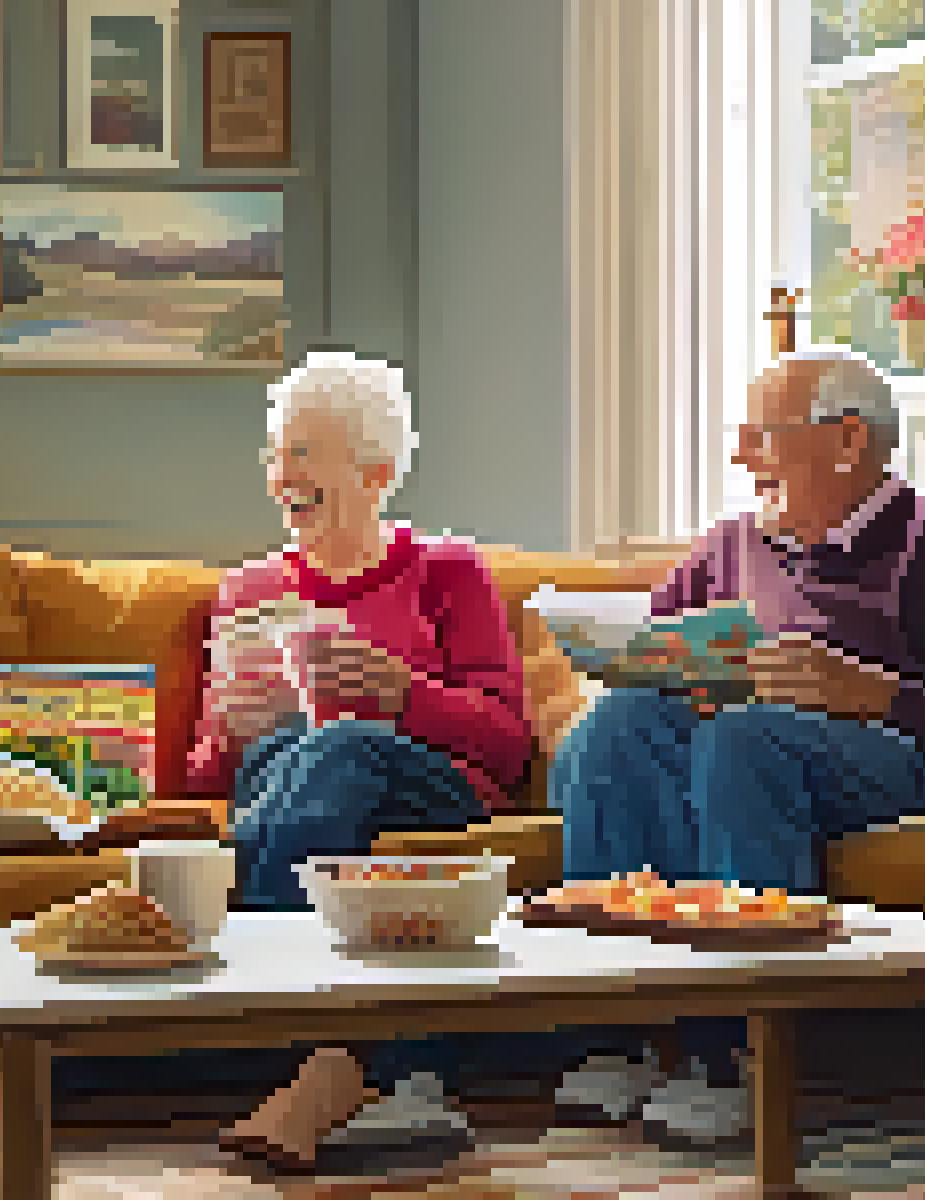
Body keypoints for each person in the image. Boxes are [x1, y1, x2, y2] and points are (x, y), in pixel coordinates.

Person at [544, 348, 925, 1137]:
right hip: (737, 752)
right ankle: (620, 1038)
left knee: (744, 741)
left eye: (761, 436)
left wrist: (868, 691)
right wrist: (629, 674)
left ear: (848, 442)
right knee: (618, 726)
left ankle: (739, 1055)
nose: (741, 457)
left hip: (889, 762)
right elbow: (646, 653)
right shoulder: (731, 545)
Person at [191, 351, 536, 1170]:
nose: (282, 475)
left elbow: (508, 745)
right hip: (296, 782)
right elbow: (204, 781)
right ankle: (341, 1068)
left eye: (304, 454)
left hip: (432, 787)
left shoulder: (447, 575)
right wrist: (231, 737)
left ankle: (267, 1044)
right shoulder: (248, 593)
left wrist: (401, 695)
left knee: (339, 744)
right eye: (275, 454)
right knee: (292, 750)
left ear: (376, 471)